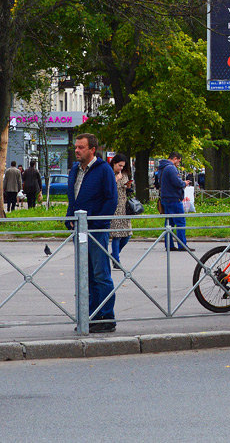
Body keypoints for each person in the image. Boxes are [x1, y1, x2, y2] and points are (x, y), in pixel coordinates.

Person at [66, 133, 118, 332]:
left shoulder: (103, 169)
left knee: (101, 274)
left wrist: (97, 223)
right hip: (79, 230)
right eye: (76, 147)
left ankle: (107, 316)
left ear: (92, 150)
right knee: (85, 275)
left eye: (81, 147)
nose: (77, 150)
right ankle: (91, 316)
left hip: (96, 231)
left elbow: (111, 199)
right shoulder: (75, 170)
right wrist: (69, 218)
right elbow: (74, 197)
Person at [157, 152, 187, 251]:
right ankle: (182, 245)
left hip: (165, 198)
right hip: (174, 198)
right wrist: (184, 183)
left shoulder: (162, 167)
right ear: (175, 158)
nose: (178, 163)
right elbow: (176, 182)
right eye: (178, 161)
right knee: (180, 222)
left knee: (169, 224)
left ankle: (169, 245)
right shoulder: (171, 168)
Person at [109, 154, 133, 268]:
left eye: (123, 166)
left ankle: (114, 254)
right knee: (117, 235)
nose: (121, 168)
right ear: (114, 163)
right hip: (114, 207)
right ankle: (116, 261)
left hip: (124, 207)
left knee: (127, 234)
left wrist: (128, 187)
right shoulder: (109, 173)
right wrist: (115, 179)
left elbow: (127, 190)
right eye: (119, 165)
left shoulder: (123, 174)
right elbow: (107, 188)